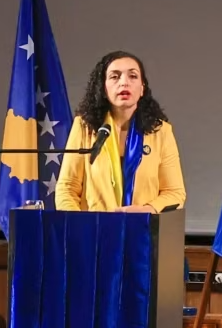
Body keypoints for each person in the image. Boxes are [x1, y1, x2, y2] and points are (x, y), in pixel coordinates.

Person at [55, 51, 186, 214]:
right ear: (103, 88)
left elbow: (174, 193)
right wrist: (78, 224)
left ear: (142, 88)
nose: (124, 83)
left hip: (143, 227)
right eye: (115, 77)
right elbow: (67, 188)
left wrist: (147, 210)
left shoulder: (161, 131)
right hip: (95, 228)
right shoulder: (84, 127)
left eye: (133, 76)